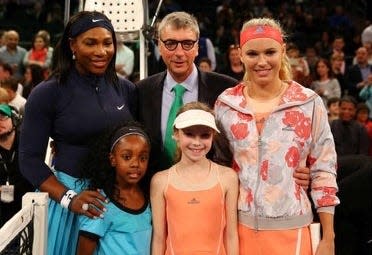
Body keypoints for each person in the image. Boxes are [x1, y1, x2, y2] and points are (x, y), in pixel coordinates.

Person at [136, 11, 310, 195]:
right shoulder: (141, 91)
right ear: (159, 46)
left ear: (197, 47)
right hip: (153, 196)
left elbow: (254, 143)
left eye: (187, 44)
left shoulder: (227, 89)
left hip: (213, 196)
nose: (179, 52)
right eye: (170, 43)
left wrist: (295, 170)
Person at [215, 17, 340, 254]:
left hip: (293, 231)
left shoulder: (308, 103)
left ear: (282, 51)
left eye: (270, 52)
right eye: (252, 54)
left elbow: (325, 169)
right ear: (240, 54)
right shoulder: (226, 105)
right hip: (237, 232)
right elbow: (217, 168)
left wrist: (328, 237)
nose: (262, 62)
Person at [18, 11, 137, 255]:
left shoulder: (126, 89)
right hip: (69, 204)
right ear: (72, 44)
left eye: (107, 43)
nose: (101, 51)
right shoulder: (47, 93)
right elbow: (29, 159)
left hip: (117, 204)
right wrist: (69, 198)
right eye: (90, 42)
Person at [150, 101, 239, 255]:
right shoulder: (161, 181)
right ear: (176, 134)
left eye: (205, 135)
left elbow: (231, 235)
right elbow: (159, 238)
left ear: (213, 136)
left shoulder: (227, 177)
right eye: (189, 134)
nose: (197, 142)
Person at [76, 122, 152, 255]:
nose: (135, 164)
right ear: (113, 159)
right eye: (127, 157)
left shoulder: (148, 197)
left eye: (143, 158)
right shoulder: (99, 202)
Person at [0, 104, 33, 227]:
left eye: (2, 117)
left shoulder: (28, 145)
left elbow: (33, 183)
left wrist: (4, 191)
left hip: (30, 212)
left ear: (14, 119)